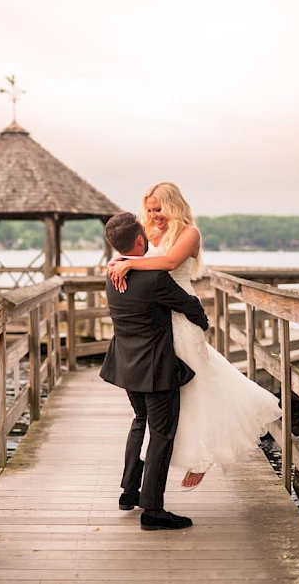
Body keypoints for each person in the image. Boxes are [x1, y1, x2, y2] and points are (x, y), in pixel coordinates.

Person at [108, 182, 282, 490]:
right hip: (156, 320)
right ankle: (159, 469)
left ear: (173, 205)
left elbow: (169, 263)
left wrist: (129, 263)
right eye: (148, 209)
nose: (153, 215)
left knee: (199, 385)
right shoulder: (146, 232)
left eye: (158, 209)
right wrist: (119, 261)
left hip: (182, 314)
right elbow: (134, 257)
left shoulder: (189, 233)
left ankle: (203, 457)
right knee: (169, 396)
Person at [99, 212, 209, 531]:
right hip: (156, 368)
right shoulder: (154, 278)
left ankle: (129, 491)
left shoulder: (111, 274)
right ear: (139, 240)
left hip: (126, 364)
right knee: (162, 434)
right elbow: (187, 304)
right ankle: (153, 509)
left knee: (139, 421)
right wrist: (203, 322)